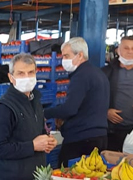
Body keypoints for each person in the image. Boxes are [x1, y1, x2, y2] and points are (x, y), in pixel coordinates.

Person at [0, 53, 57, 180]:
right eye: (21, 73)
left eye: (30, 72)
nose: (26, 77)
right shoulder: (5, 107)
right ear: (11, 77)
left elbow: (37, 133)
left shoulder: (35, 100)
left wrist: (47, 142)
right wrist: (32, 146)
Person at [44, 38, 110, 166]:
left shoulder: (81, 76)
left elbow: (70, 109)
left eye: (66, 56)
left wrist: (45, 113)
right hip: (99, 136)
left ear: (80, 55)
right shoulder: (98, 73)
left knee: (69, 177)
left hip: (81, 139)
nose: (63, 60)